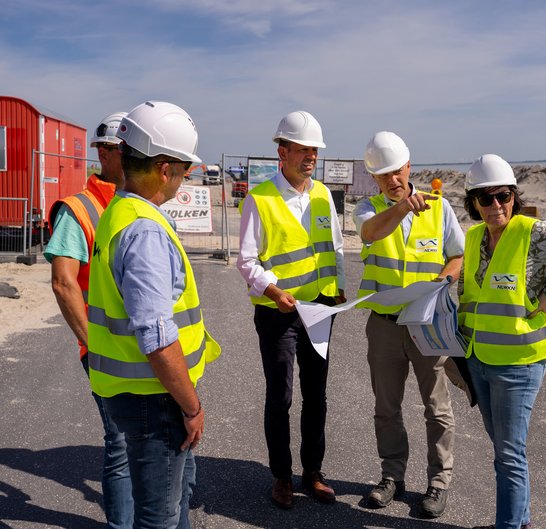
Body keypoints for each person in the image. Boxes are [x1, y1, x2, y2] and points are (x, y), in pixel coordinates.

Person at [87, 100, 220, 529]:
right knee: (158, 516)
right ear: (164, 169)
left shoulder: (121, 211)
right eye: (183, 168)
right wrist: (192, 406)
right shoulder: (144, 230)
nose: (185, 177)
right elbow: (158, 337)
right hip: (155, 398)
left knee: (173, 502)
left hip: (138, 392)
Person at [458, 154, 546, 529]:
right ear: (472, 202)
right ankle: (519, 521)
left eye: (502, 196)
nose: (495, 206)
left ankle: (509, 526)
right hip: (480, 360)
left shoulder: (531, 232)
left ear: (514, 197)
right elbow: (467, 292)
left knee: (508, 453)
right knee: (504, 450)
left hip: (519, 363)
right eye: (484, 198)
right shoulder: (473, 238)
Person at [237, 110, 346, 509]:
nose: (311, 157)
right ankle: (281, 476)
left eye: (314, 150)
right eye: (303, 149)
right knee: (280, 396)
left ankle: (312, 473)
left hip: (318, 310)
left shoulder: (321, 195)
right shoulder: (260, 198)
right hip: (278, 313)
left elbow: (333, 248)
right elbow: (246, 260)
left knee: (317, 395)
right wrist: (272, 289)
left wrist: (340, 289)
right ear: (282, 151)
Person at [353, 131, 464, 518]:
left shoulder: (439, 208)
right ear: (374, 178)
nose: (392, 181)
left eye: (396, 172)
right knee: (387, 407)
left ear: (408, 166)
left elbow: (457, 255)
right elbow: (371, 233)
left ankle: (438, 483)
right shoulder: (367, 209)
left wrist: (446, 281)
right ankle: (391, 477)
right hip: (384, 326)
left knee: (436, 407)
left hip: (427, 324)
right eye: (383, 176)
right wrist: (401, 208)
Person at [45, 111, 133, 528]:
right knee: (119, 443)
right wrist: (92, 345)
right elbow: (63, 283)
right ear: (105, 153)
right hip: (102, 349)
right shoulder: (78, 210)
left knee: (142, 442)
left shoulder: (134, 203)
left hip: (140, 348)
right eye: (123, 150)